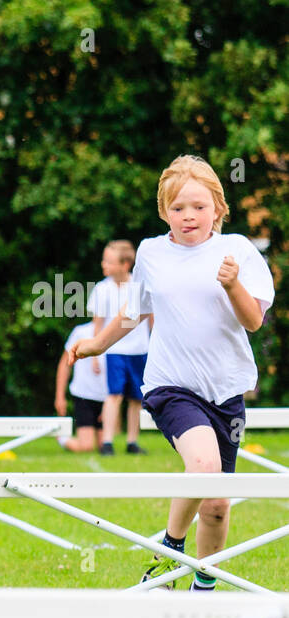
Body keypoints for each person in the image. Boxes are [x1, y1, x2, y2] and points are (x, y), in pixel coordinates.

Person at [68, 155, 274, 591]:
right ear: (164, 212)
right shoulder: (151, 252)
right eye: (178, 208)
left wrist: (233, 284)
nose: (188, 217)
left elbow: (253, 321)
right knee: (203, 467)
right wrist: (95, 344)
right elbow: (136, 312)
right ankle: (172, 547)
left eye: (198, 207)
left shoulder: (237, 251)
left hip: (226, 392)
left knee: (217, 504)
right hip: (171, 385)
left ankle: (203, 588)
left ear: (218, 207)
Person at [91, 240, 149, 455]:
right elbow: (98, 323)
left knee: (136, 398)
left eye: (109, 261)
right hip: (114, 350)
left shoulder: (138, 286)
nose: (104, 264)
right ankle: (107, 441)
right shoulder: (101, 289)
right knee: (114, 394)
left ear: (125, 264)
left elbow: (150, 319)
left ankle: (132, 441)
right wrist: (95, 355)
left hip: (140, 350)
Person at [54, 319, 107, 452]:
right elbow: (64, 364)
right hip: (84, 395)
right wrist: (60, 396)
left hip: (107, 398)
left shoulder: (115, 331)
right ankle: (61, 438)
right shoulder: (80, 332)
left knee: (103, 446)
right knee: (86, 447)